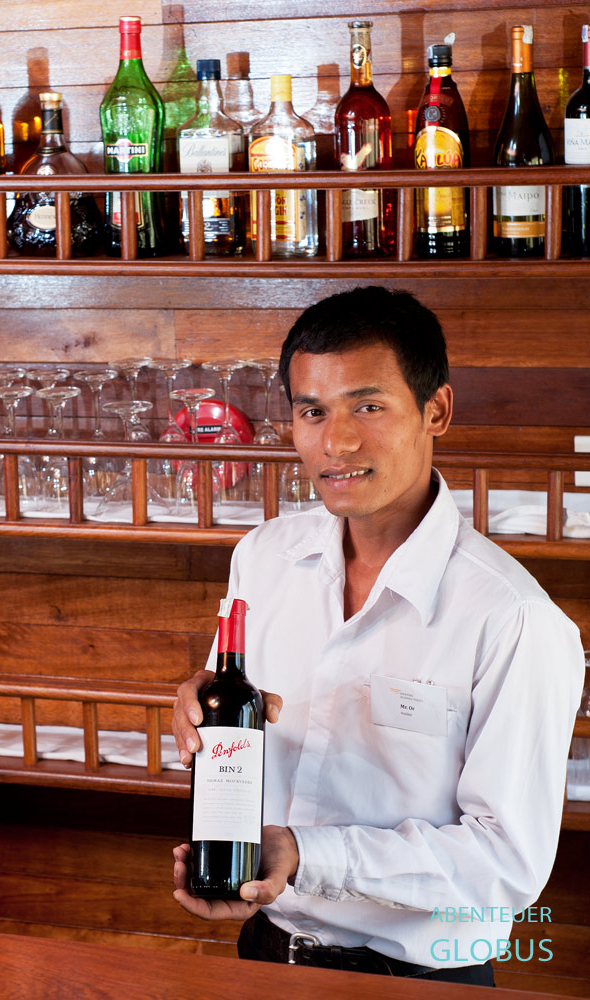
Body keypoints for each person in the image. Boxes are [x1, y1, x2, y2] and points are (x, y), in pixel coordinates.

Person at [171, 285, 584, 985]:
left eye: (368, 405)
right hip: (266, 950)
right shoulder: (263, 557)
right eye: (312, 411)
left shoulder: (512, 618)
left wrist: (305, 854)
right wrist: (204, 707)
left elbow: (503, 868)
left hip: (416, 978)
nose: (336, 441)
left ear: (436, 411)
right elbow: (237, 732)